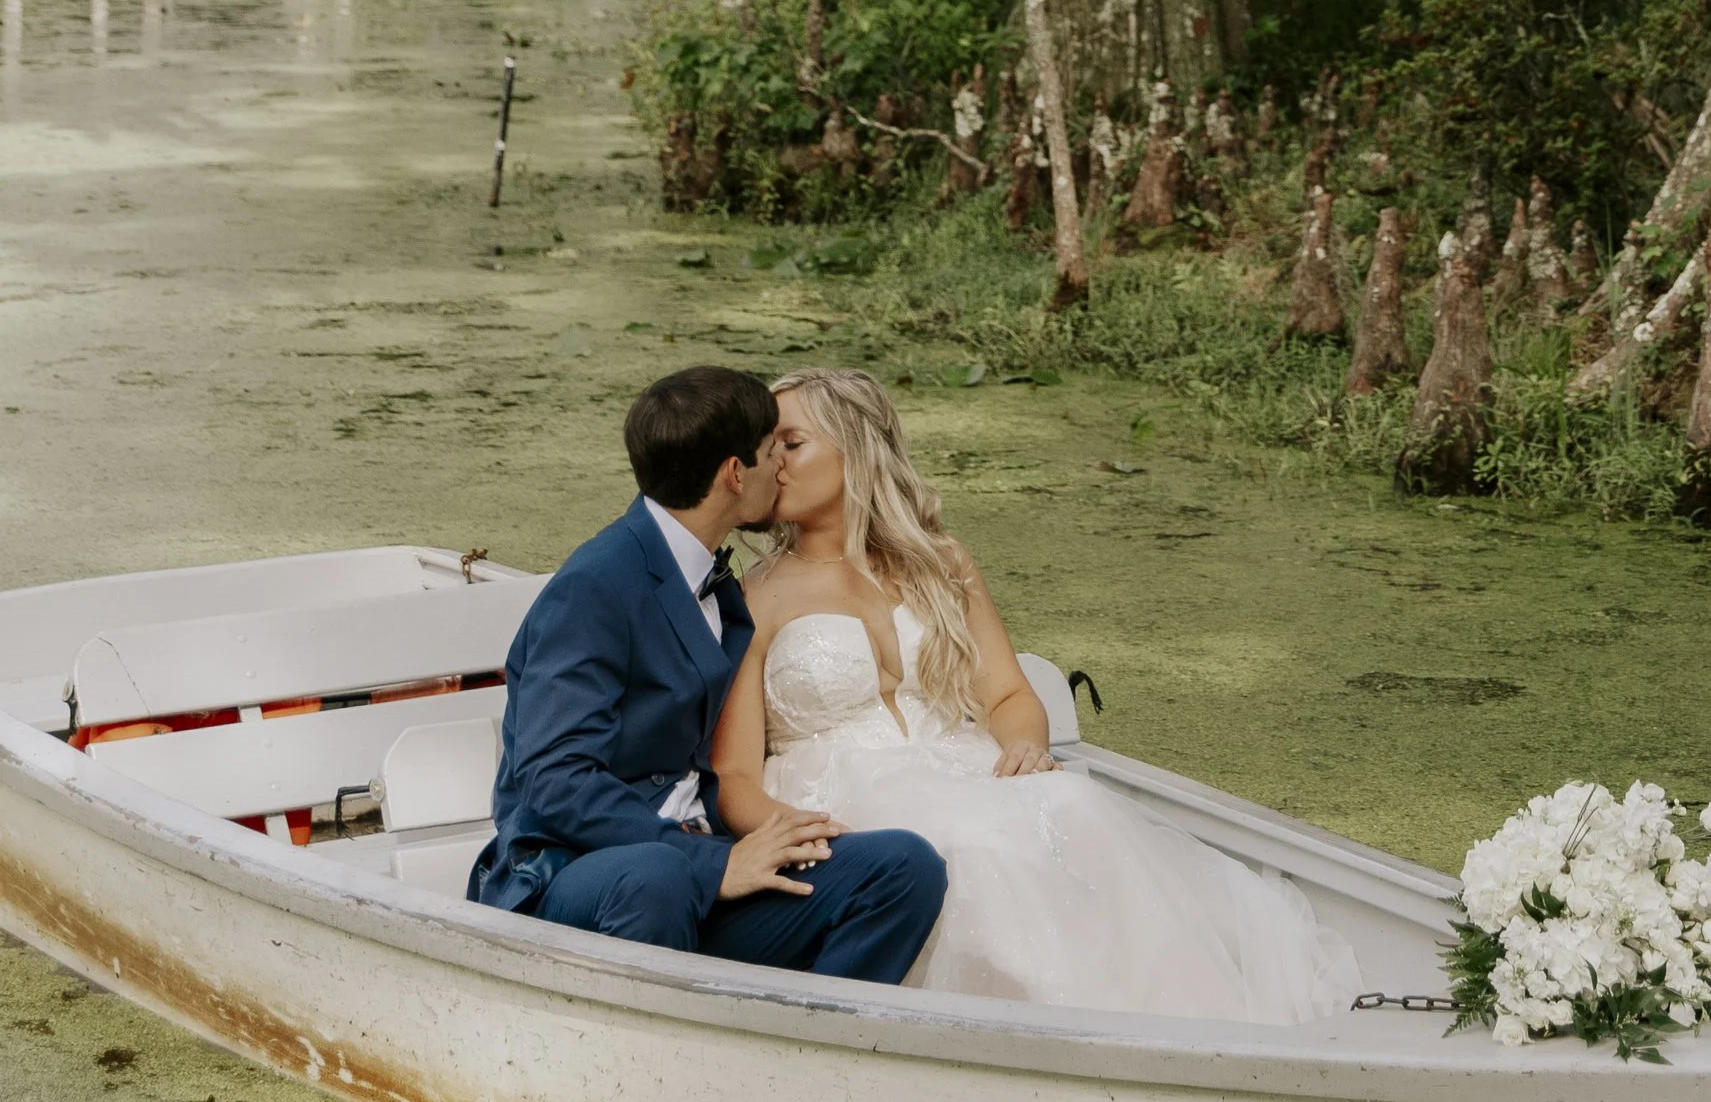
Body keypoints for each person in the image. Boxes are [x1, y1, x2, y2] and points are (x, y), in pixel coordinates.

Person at [711, 367, 1359, 1022]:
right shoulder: (754, 597)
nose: (770, 463)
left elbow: (1009, 695)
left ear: (857, 448)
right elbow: (732, 774)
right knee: (970, 846)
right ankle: (1046, 1030)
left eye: (790, 443)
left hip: (957, 765)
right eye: (766, 446)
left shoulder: (942, 563)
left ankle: (1161, 1027)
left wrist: (1024, 744)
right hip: (834, 802)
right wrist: (789, 833)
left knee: (1075, 803)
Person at [469, 362, 946, 980]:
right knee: (655, 875)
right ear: (733, 474)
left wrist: (779, 830)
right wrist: (707, 864)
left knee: (901, 864)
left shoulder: (717, 588)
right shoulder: (594, 585)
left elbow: (703, 762)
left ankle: (809, 1046)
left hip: (697, 862)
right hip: (576, 874)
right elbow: (554, 780)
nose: (784, 466)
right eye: (773, 451)